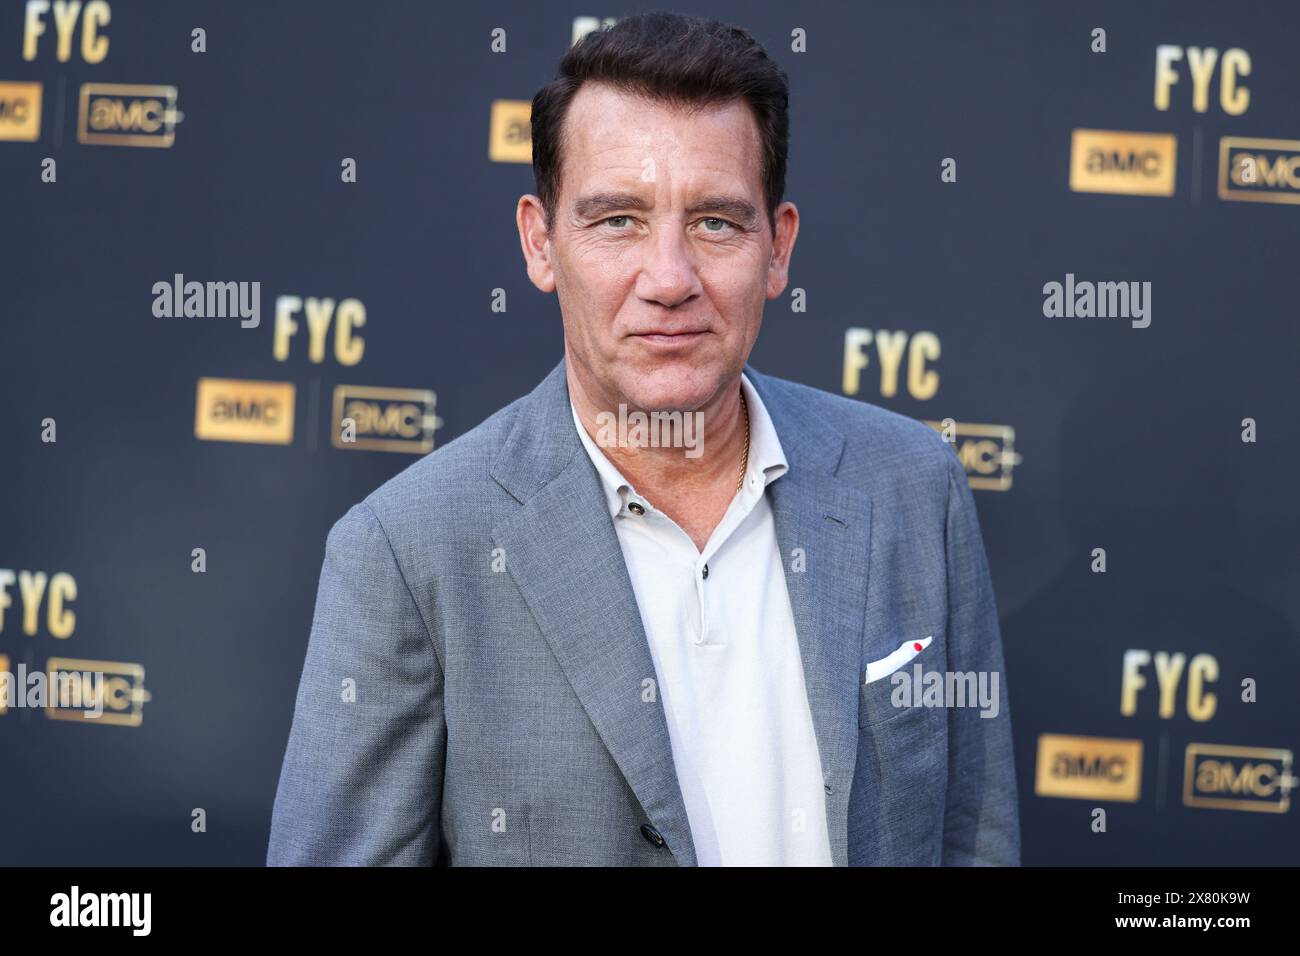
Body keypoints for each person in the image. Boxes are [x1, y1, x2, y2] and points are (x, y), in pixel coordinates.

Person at [268, 11, 1019, 866]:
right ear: (539, 243)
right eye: (618, 220)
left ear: (778, 249)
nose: (669, 279)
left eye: (716, 224)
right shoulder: (409, 552)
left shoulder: (914, 487)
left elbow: (972, 839)